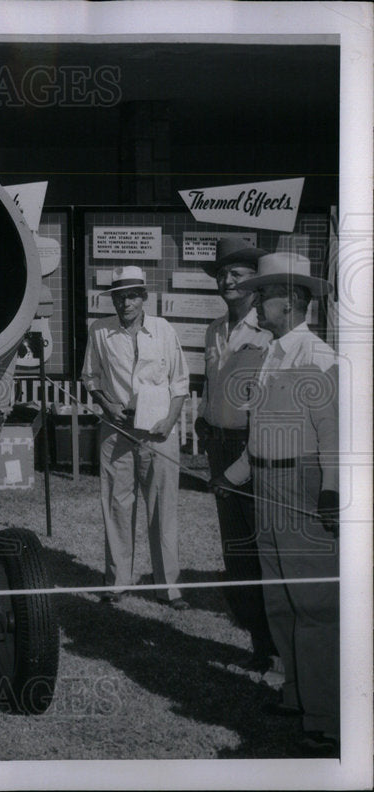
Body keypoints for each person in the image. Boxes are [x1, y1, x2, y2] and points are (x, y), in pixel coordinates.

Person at [210, 252, 339, 757]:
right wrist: (234, 476)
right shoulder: (270, 352)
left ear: (292, 300)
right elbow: (261, 432)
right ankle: (295, 694)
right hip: (264, 485)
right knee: (280, 600)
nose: (257, 302)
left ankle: (327, 717)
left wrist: (330, 492)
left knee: (314, 605)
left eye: (264, 294)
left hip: (303, 486)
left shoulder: (318, 357)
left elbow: (333, 435)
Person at [82, 266, 190, 609]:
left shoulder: (163, 330)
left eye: (131, 295)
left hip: (159, 433)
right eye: (118, 296)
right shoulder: (100, 331)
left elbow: (180, 383)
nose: (125, 303)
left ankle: (169, 588)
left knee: (162, 510)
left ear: (144, 297)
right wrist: (106, 404)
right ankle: (116, 583)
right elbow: (90, 378)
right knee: (116, 505)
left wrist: (170, 421)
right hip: (116, 431)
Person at [195, 238, 279, 675]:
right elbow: (211, 385)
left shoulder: (268, 334)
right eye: (223, 274)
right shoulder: (213, 330)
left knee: (262, 546)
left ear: (254, 283)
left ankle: (277, 647)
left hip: (255, 449)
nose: (228, 281)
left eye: (238, 275)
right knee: (236, 552)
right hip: (218, 446)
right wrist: (203, 423)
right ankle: (258, 642)